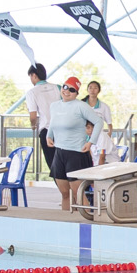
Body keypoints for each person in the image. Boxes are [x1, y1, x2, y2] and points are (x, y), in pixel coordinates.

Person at [45, 77, 97, 211]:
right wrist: (49, 135)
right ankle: (66, 220)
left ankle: (86, 219)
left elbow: (99, 122)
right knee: (64, 193)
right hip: (59, 152)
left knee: (77, 193)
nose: (67, 91)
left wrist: (90, 142)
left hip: (76, 153)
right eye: (65, 87)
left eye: (72, 90)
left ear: (76, 94)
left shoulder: (81, 106)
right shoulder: (54, 106)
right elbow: (52, 122)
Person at [25, 63, 60, 179]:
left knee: (53, 166)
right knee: (65, 163)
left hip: (47, 131)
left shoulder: (32, 92)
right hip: (62, 130)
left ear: (34, 75)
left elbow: (33, 116)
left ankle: (63, 190)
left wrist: (33, 125)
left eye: (30, 76)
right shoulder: (58, 87)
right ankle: (71, 190)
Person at [81, 80, 112, 164]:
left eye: (95, 88)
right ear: (87, 89)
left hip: (98, 137)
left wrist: (107, 137)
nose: (92, 90)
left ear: (99, 90)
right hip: (83, 137)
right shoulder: (82, 105)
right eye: (90, 88)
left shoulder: (104, 107)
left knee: (98, 157)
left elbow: (109, 124)